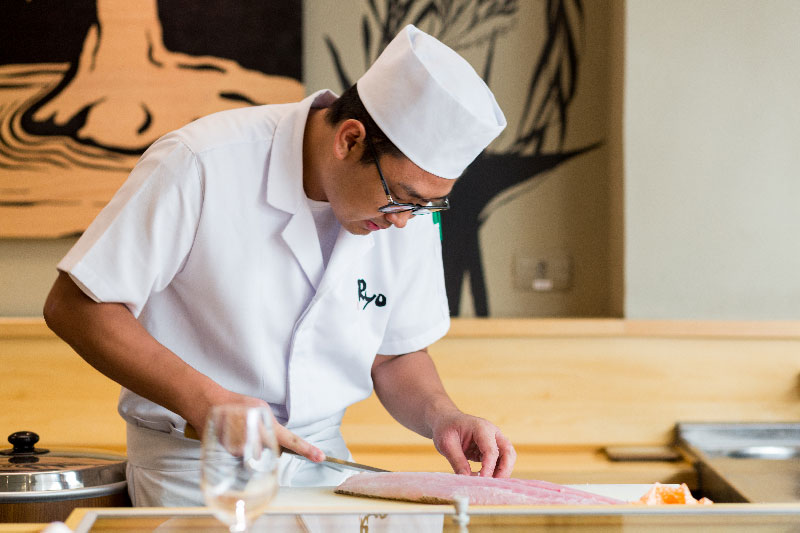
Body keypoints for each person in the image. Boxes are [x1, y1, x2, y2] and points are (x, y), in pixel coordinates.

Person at [43, 24, 516, 506]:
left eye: (424, 206)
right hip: (194, 468)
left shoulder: (406, 210)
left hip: (323, 467)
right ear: (350, 140)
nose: (403, 222)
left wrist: (442, 415)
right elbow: (75, 306)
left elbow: (394, 355)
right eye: (401, 197)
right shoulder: (200, 162)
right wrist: (208, 403)